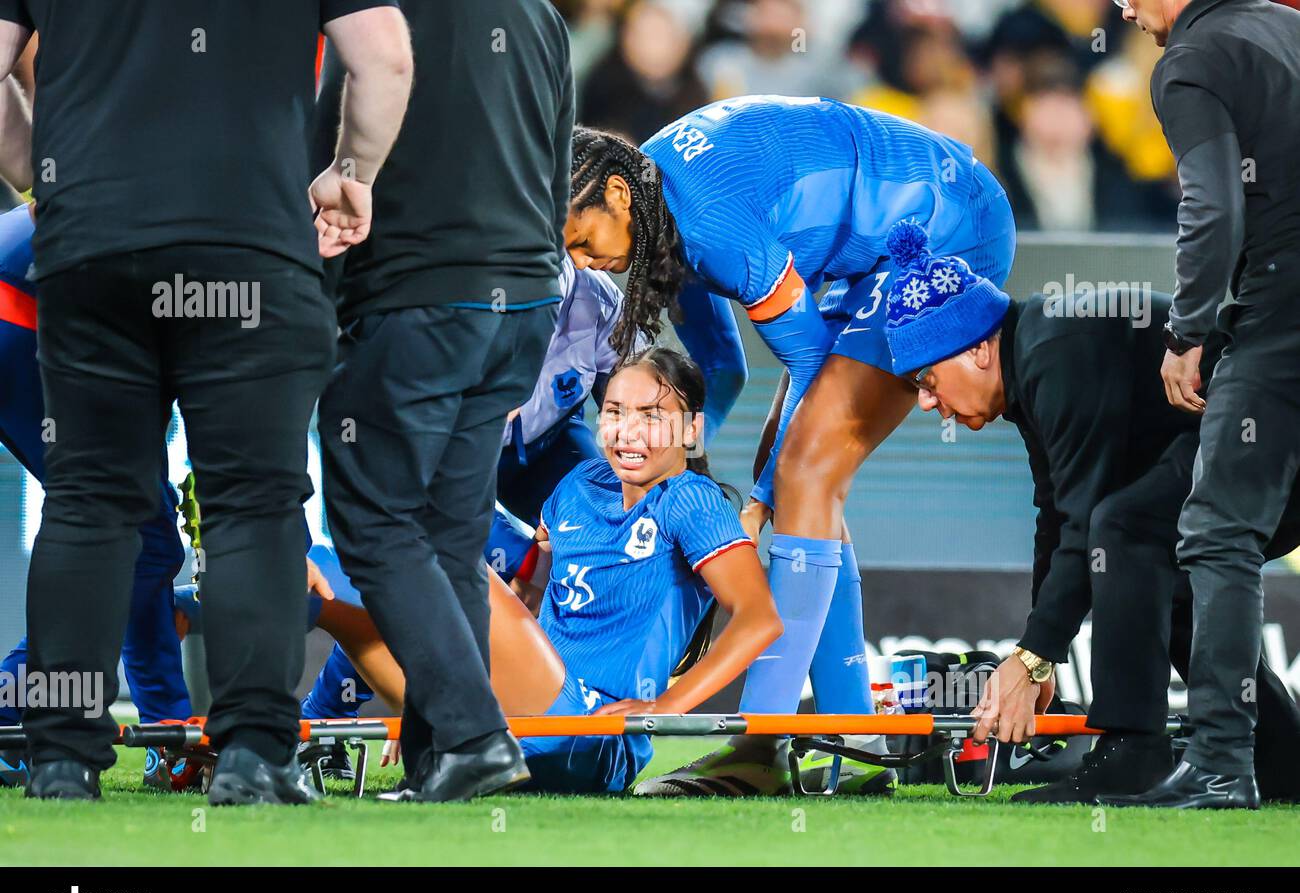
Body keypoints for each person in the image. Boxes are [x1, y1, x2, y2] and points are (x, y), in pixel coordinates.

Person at [0, 0, 413, 804]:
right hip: (250, 248)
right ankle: (255, 757)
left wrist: (40, 175)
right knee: (253, 507)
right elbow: (387, 58)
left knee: (89, 503)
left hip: (92, 246)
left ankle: (60, 759)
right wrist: (349, 177)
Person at [562, 95, 1015, 793]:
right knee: (811, 472)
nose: (585, 263)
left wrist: (756, 506)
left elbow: (804, 368)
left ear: (616, 194)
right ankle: (858, 744)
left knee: (804, 467)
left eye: (583, 240)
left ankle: (760, 746)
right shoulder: (659, 220)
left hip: (947, 231)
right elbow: (724, 370)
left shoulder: (707, 225)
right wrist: (673, 479)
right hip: (868, 257)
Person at [198, 350, 783, 794]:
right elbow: (528, 609)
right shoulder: (578, 487)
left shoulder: (692, 500)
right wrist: (444, 695)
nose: (628, 431)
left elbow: (759, 621)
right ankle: (284, 741)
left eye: (652, 415)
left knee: (416, 567)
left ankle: (195, 614)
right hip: (527, 715)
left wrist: (664, 708)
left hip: (596, 736)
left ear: (691, 429)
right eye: (614, 412)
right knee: (342, 582)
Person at [886, 219, 1300, 805]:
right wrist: (1039, 649)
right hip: (1261, 444)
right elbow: (1055, 517)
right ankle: (1284, 756)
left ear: (977, 349)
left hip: (1271, 436)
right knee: (1153, 569)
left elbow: (1086, 523)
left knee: (1124, 529)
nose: (928, 402)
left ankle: (1132, 753)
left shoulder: (1053, 349)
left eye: (926, 379)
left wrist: (1032, 656)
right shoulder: (1034, 359)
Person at [317, 0, 573, 803]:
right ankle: (443, 761)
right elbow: (558, 160)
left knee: (374, 523)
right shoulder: (540, 14)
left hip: (419, 296)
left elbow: (327, 159)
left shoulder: (373, 12)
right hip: (523, 302)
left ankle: (473, 734)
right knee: (449, 538)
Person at [1109, 0, 1300, 808]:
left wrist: (1187, 329)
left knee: (1218, 531)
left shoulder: (1189, 60)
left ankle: (1223, 763)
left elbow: (1214, 207)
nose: (1122, 6)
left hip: (1283, 314)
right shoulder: (1287, 26)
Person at [0, 205, 200, 793]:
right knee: (129, 534)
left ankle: (168, 732)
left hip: (37, 315)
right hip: (26, 320)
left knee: (145, 540)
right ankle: (15, 701)